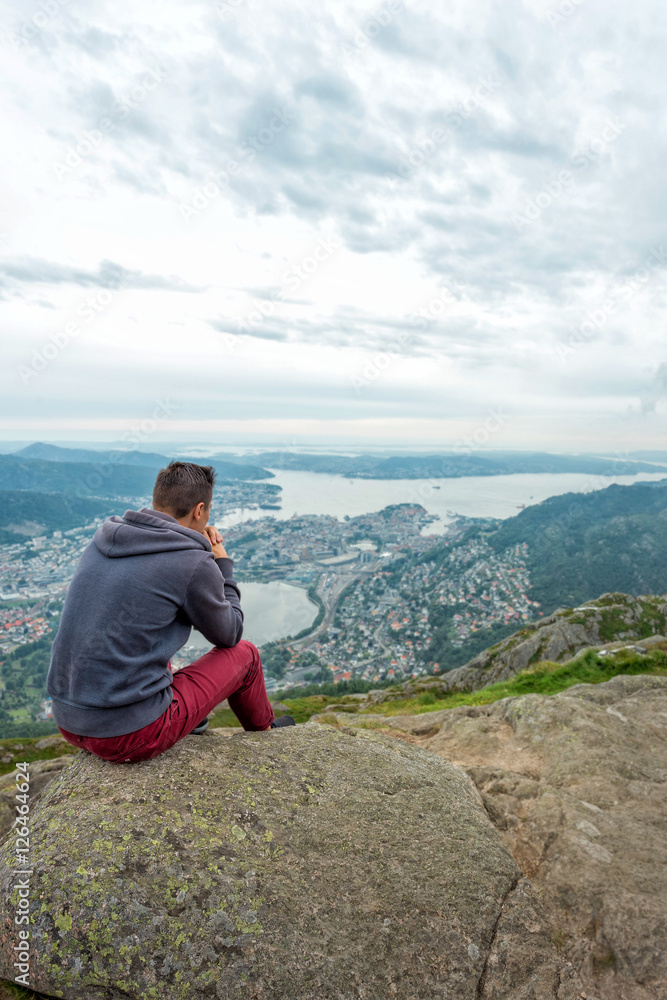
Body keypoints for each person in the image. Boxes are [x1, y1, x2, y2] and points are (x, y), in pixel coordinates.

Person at [46, 460, 295, 764]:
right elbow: (229, 633)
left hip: (68, 720)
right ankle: (266, 734)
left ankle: (189, 719)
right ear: (199, 510)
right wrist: (221, 564)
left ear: (157, 500)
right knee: (246, 655)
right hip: (129, 735)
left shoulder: (103, 540)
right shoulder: (190, 560)